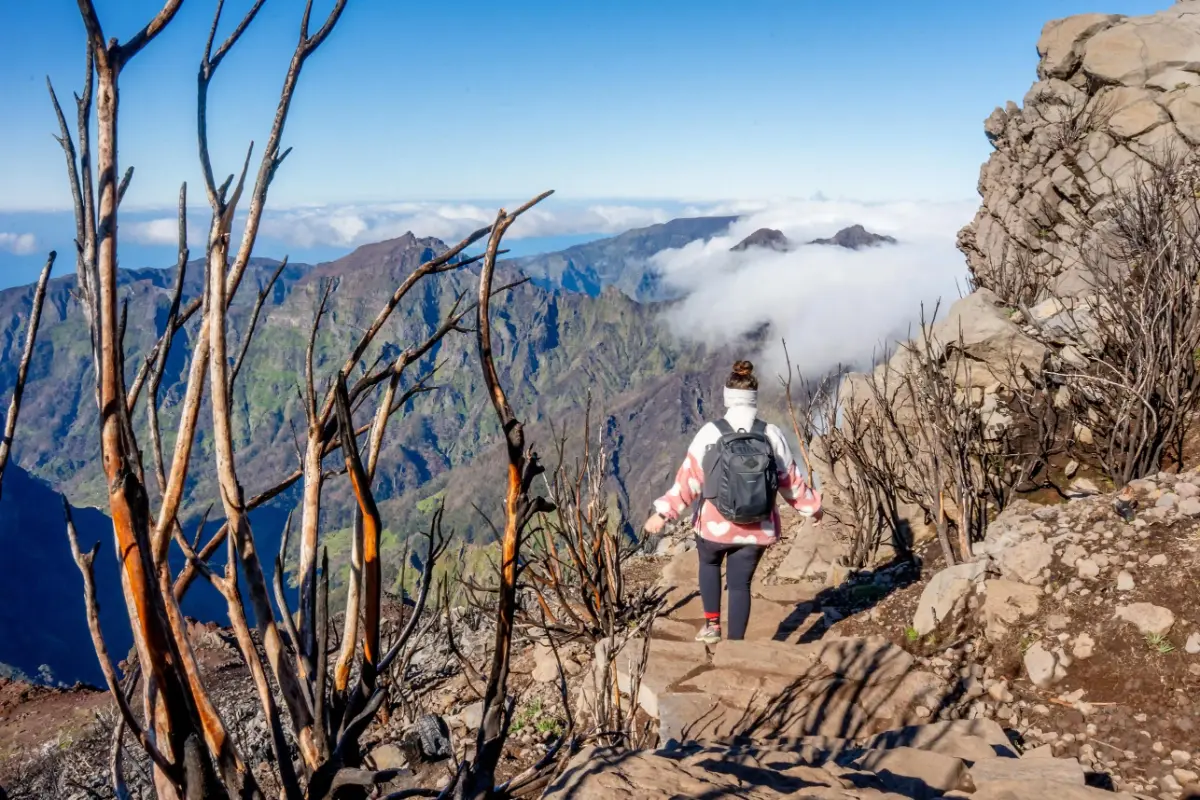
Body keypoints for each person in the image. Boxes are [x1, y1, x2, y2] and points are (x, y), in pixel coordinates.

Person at [643, 360, 821, 644]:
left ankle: (712, 626)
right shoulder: (770, 434)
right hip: (756, 527)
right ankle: (735, 644)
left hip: (714, 527)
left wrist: (663, 514)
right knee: (740, 585)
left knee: (709, 565)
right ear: (754, 398)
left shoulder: (711, 433)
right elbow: (790, 481)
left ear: (728, 396)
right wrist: (812, 508)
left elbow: (689, 480)